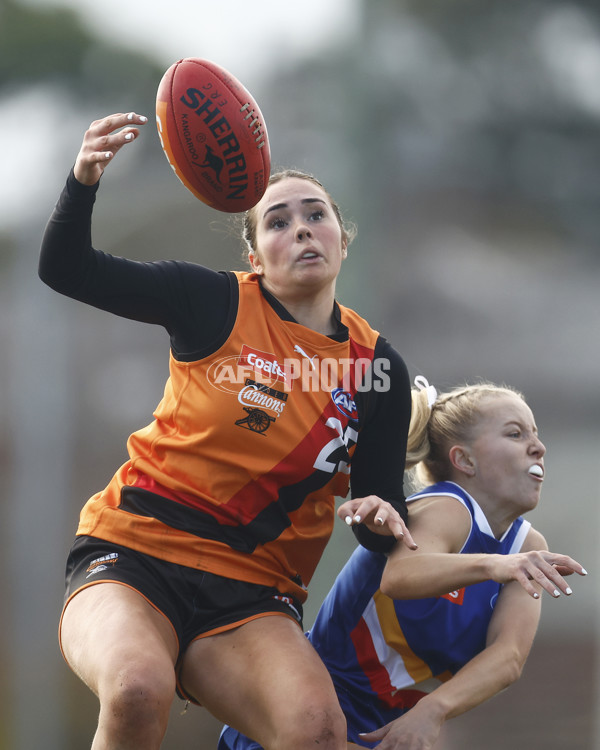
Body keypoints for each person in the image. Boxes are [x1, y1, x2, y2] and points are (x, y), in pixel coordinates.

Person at [38, 112, 418, 750]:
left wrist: (380, 517)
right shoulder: (211, 302)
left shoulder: (378, 368)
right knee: (136, 689)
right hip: (134, 553)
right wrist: (84, 181)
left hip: (250, 593)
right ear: (254, 256)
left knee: (319, 730)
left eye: (315, 214)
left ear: (343, 241)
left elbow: (381, 519)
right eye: (278, 221)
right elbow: (65, 270)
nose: (300, 229)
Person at [219, 380, 587, 750]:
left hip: (382, 727)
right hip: (315, 705)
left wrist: (434, 709)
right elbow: (401, 576)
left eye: (535, 435)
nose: (539, 447)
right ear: (464, 461)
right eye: (515, 433)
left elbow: (508, 658)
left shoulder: (528, 546)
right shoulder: (449, 506)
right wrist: (496, 565)